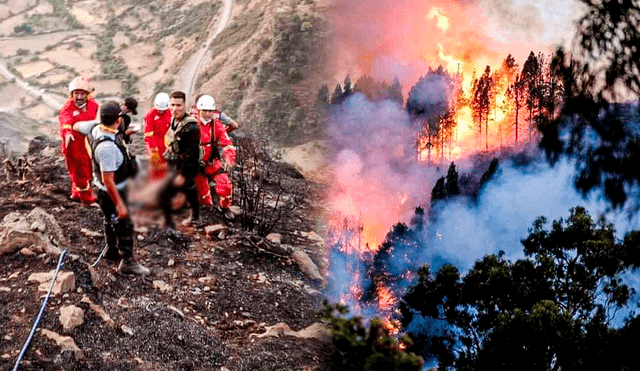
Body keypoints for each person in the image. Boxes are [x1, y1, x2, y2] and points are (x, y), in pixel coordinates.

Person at [73, 101, 150, 275]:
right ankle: (128, 262)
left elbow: (76, 126)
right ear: (117, 121)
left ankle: (111, 250)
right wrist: (121, 204)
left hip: (101, 188)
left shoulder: (93, 128)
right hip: (110, 191)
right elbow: (109, 180)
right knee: (123, 221)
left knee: (109, 219)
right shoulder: (107, 148)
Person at [193, 95, 237, 219]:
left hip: (212, 162)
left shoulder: (217, 126)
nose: (207, 114)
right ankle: (203, 209)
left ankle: (224, 206)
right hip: (196, 165)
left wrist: (229, 159)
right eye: (204, 111)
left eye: (210, 111)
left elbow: (227, 144)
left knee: (225, 185)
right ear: (198, 110)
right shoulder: (191, 124)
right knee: (204, 197)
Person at [162, 91, 201, 228]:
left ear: (185, 105)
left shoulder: (191, 127)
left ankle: (195, 217)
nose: (174, 109)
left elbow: (192, 155)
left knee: (189, 188)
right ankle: (168, 217)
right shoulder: (174, 120)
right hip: (173, 162)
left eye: (178, 105)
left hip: (186, 165)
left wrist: (183, 174)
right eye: (172, 105)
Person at [58, 75, 99, 204]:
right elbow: (65, 121)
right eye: (77, 93)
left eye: (83, 94)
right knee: (79, 172)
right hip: (73, 145)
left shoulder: (92, 105)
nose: (80, 97)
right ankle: (87, 199)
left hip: (86, 143)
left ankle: (76, 194)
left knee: (87, 170)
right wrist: (68, 133)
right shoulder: (67, 108)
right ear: (72, 94)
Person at [144, 92, 172, 179]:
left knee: (168, 166)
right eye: (159, 109)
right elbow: (149, 134)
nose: (160, 111)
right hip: (154, 142)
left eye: (162, 110)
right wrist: (154, 149)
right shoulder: (150, 114)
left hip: (166, 141)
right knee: (155, 166)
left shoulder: (170, 112)